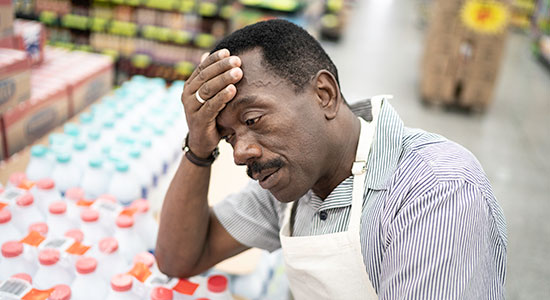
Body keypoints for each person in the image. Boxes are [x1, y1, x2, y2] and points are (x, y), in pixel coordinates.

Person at [155, 19, 507, 299]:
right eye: (229, 137)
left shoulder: (436, 192)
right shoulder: (292, 189)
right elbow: (178, 258)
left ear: (324, 94)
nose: (241, 152)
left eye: (252, 120)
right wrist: (199, 147)